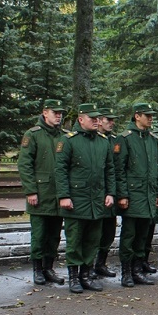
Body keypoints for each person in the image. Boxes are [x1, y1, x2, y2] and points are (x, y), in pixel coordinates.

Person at [55, 103, 116, 293]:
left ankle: (86, 274)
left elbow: (110, 170)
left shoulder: (103, 141)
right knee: (75, 240)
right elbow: (60, 170)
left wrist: (110, 193)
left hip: (97, 199)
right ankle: (74, 276)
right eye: (93, 118)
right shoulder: (69, 141)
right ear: (81, 119)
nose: (97, 121)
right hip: (77, 199)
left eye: (98, 118)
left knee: (92, 239)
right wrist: (64, 196)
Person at [18, 99, 67, 286]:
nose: (59, 116)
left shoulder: (63, 136)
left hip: (58, 195)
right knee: (39, 235)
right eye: (55, 112)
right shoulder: (33, 135)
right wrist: (31, 191)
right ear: (45, 113)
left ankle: (49, 267)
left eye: (61, 113)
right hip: (40, 194)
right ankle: (37, 269)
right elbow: (24, 164)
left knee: (54, 235)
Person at [114, 101, 158, 287]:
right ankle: (126, 272)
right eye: (146, 115)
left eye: (151, 116)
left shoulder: (153, 140)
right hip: (132, 196)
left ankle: (138, 269)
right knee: (129, 235)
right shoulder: (125, 138)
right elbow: (119, 170)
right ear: (137, 116)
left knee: (143, 235)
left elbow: (156, 169)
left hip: (148, 196)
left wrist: (157, 192)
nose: (150, 118)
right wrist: (123, 195)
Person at [93, 110, 119, 279]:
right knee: (94, 232)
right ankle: (89, 265)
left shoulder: (116, 141)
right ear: (100, 121)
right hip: (96, 192)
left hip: (112, 192)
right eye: (108, 120)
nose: (112, 123)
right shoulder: (93, 139)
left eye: (113, 120)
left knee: (109, 232)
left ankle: (101, 264)